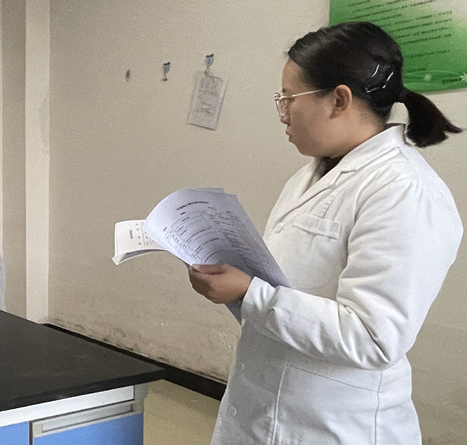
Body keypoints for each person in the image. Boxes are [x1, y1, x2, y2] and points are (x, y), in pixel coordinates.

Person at [188, 22, 463, 444]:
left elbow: (373, 338)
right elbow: (291, 290)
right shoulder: (311, 174)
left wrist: (250, 293)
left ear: (339, 100)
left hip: (337, 427)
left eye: (289, 99)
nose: (283, 114)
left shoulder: (404, 190)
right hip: (267, 412)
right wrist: (234, 286)